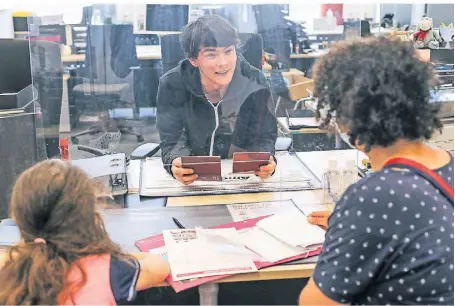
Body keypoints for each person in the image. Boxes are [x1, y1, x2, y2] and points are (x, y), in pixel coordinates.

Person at [299, 37, 453, 305]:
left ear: (347, 114)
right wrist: (350, 224)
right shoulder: (447, 164)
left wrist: (356, 219)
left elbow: (314, 302)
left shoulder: (376, 196)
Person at [0, 160, 169, 305]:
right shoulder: (108, 269)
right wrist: (104, 252)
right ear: (90, 219)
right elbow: (159, 266)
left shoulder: (8, 267)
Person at [156, 15, 277, 185]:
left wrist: (267, 160)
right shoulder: (172, 84)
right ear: (193, 60)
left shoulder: (255, 81)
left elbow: (265, 136)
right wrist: (175, 162)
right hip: (195, 182)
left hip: (244, 181)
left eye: (228, 51)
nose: (223, 63)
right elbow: (171, 140)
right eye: (211, 54)